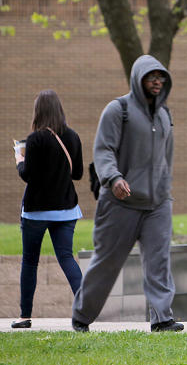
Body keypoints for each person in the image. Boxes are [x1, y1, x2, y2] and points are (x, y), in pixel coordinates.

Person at [71, 55, 183, 333]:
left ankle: (162, 318)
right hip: (120, 201)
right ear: (138, 79)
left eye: (161, 77)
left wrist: (165, 190)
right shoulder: (117, 110)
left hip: (157, 204)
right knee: (107, 262)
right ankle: (82, 316)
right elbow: (104, 149)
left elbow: (166, 159)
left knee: (159, 261)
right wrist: (114, 178)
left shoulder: (164, 114)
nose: (157, 81)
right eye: (151, 77)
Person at [12, 90, 84, 329]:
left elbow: (27, 176)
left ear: (38, 112)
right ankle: (85, 312)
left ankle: (25, 316)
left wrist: (19, 160)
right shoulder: (73, 137)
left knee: (30, 261)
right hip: (66, 209)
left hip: (36, 212)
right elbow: (78, 174)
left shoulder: (34, 140)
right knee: (66, 257)